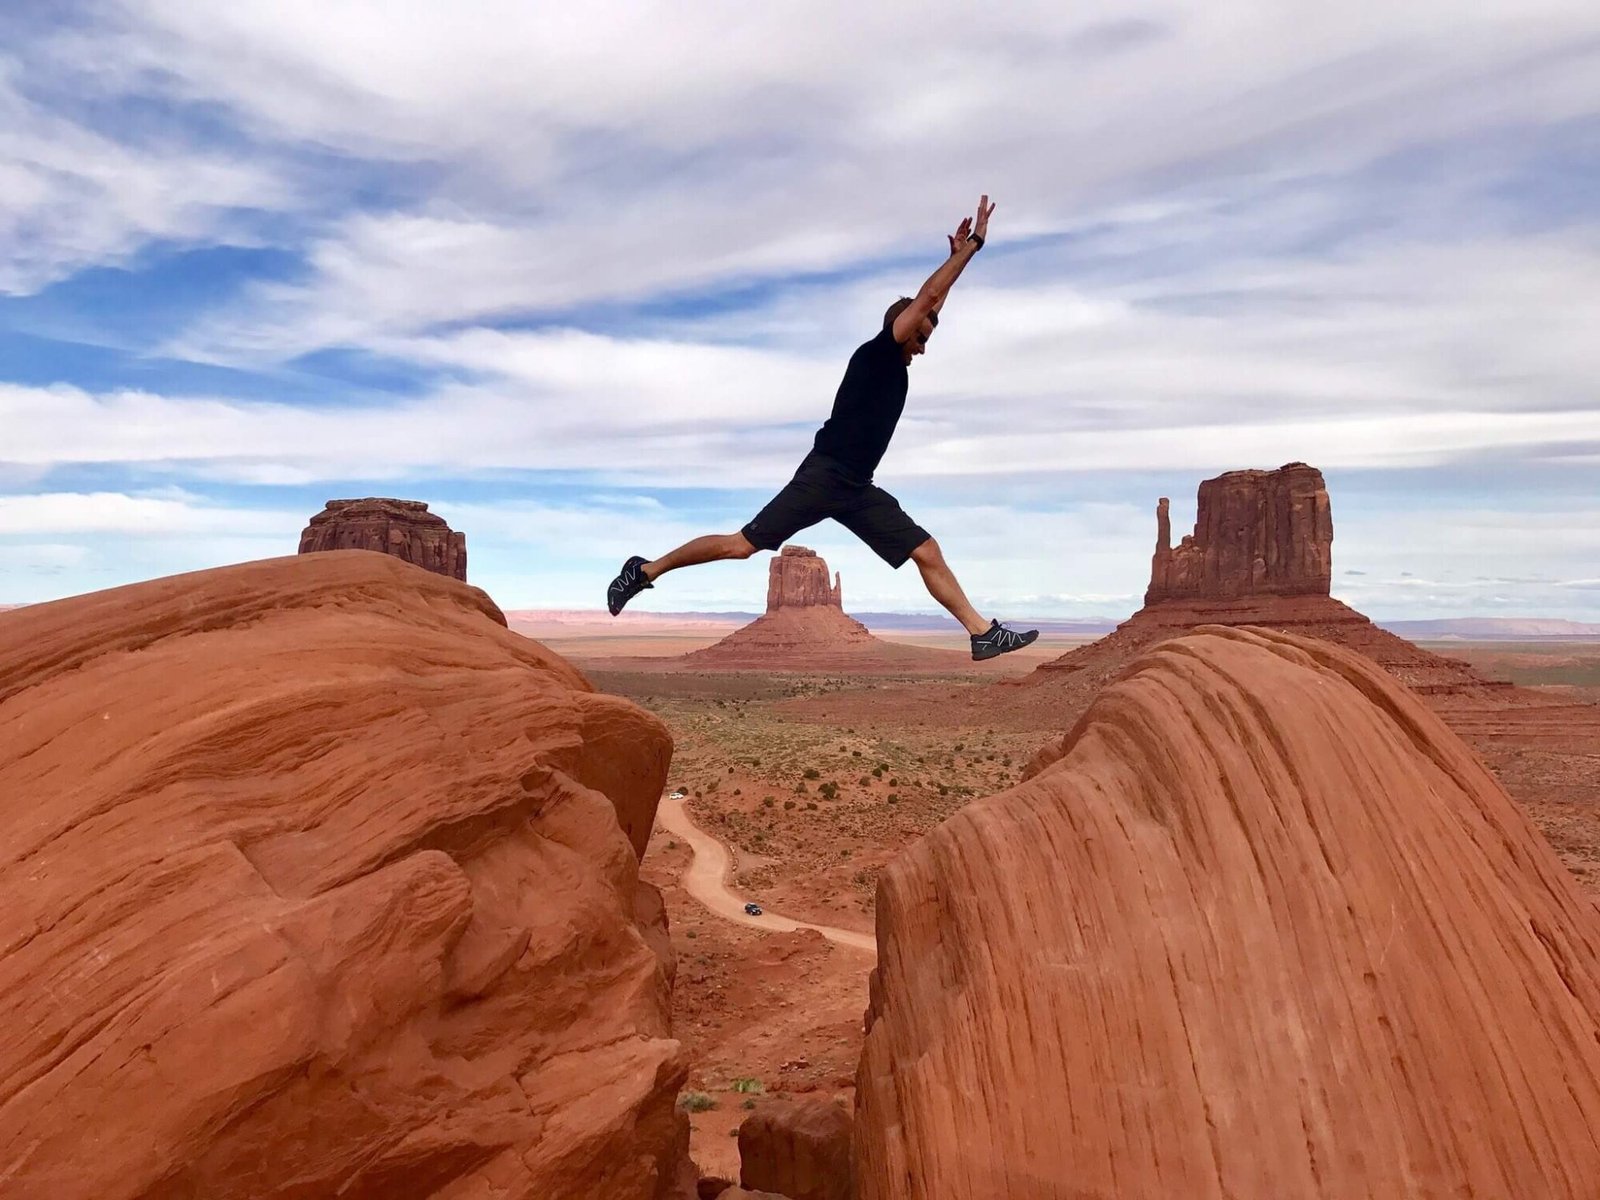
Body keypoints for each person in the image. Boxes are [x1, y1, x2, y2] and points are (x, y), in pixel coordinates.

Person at [607, 195, 1038, 662]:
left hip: (856, 487)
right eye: (920, 335)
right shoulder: (877, 353)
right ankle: (645, 570)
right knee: (741, 546)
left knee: (926, 550)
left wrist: (954, 261)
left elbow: (931, 303)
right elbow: (927, 299)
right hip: (824, 476)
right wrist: (970, 247)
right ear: (901, 325)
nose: (923, 346)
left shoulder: (895, 359)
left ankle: (981, 633)